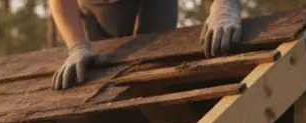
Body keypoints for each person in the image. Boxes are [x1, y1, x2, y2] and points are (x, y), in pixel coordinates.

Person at [51, 0, 244, 90]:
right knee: (92, 84)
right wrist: (77, 45)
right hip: (92, 11)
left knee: (152, 78)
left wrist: (225, 5)